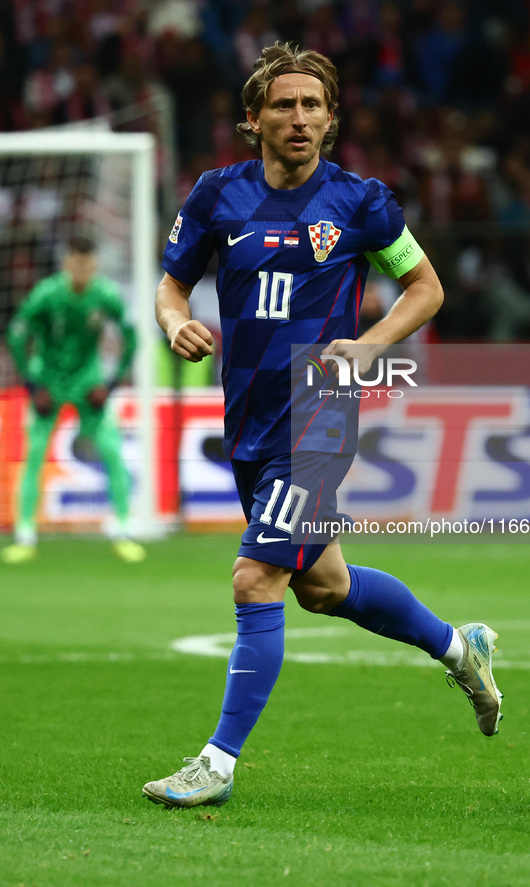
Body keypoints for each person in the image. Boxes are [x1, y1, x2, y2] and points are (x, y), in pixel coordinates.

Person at [142, 42, 503, 810]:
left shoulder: (361, 202)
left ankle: (217, 762)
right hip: (247, 418)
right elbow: (170, 287)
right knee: (323, 585)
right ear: (253, 119)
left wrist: (368, 345)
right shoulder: (215, 198)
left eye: (313, 106)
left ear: (331, 120)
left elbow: (425, 287)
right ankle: (455, 645)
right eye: (283, 105)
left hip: (320, 418)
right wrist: (175, 321)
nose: (299, 117)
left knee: (254, 577)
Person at [2, 236, 146, 565]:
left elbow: (131, 336)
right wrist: (30, 381)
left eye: (87, 264)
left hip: (88, 381)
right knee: (34, 454)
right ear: (67, 263)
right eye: (76, 263)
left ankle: (122, 531)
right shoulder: (47, 294)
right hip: (48, 381)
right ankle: (25, 534)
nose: (81, 270)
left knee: (111, 449)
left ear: (94, 265)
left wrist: (111, 382)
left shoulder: (105, 295)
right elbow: (16, 333)